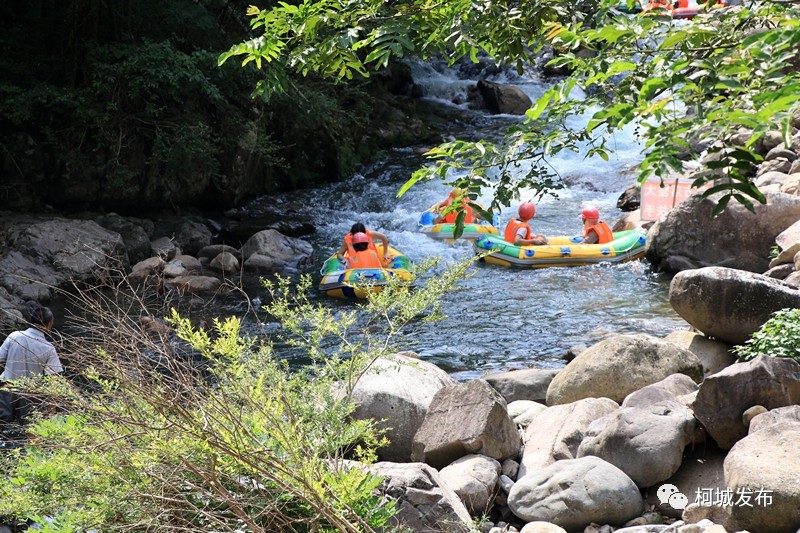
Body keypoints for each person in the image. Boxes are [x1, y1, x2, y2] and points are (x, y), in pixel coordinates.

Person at [0, 306, 63, 429]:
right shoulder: (48, 348)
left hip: (7, 387)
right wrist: (52, 408)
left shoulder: (14, 336)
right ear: (49, 323)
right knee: (33, 432)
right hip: (30, 395)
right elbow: (54, 379)